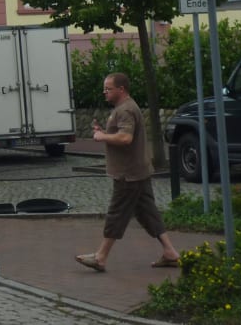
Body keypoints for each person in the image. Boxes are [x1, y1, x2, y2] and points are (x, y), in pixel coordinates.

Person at [76, 72, 180, 273]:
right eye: (104, 88)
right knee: (148, 213)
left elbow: (125, 138)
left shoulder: (125, 110)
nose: (104, 92)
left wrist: (101, 136)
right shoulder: (125, 108)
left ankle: (101, 257)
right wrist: (104, 133)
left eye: (108, 89)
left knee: (116, 214)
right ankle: (170, 252)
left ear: (121, 89)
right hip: (138, 171)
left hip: (128, 174)